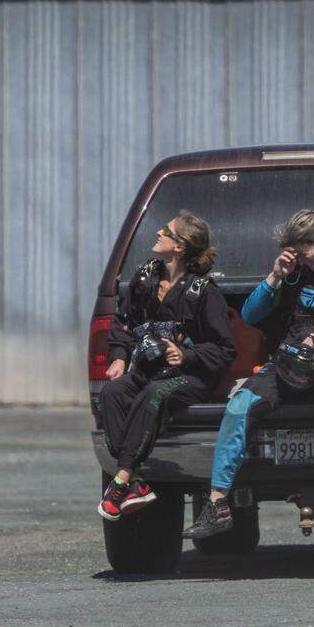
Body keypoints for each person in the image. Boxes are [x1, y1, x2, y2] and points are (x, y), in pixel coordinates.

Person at [182, 208, 314, 545]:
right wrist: (274, 276)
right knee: (237, 408)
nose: (301, 261)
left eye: (303, 252)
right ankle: (218, 505)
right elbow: (250, 315)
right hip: (286, 364)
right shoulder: (293, 273)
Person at [97, 211, 237, 521]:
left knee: (154, 396)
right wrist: (119, 355)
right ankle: (137, 483)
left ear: (180, 247)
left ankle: (122, 480)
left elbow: (225, 349)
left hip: (190, 378)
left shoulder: (203, 292)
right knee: (111, 394)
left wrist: (187, 355)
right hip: (148, 371)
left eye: (167, 231)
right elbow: (124, 322)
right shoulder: (145, 276)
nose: (158, 233)